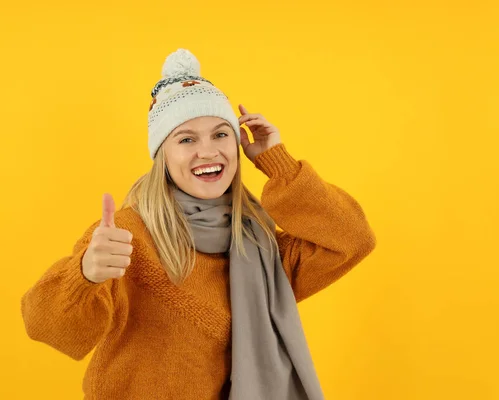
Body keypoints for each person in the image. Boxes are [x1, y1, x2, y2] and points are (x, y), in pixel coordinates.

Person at [21, 48, 376, 400]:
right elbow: (47, 327)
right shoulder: (126, 236)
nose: (207, 151)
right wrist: (85, 275)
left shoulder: (261, 248)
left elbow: (352, 239)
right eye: (186, 139)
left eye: (221, 134)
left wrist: (277, 161)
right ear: (163, 154)